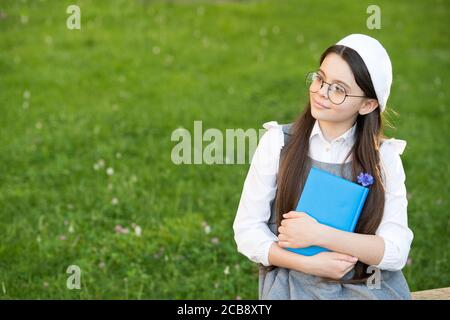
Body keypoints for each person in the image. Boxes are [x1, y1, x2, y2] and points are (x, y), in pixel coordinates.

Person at [233, 34, 414, 299]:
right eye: (320, 78)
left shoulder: (383, 157)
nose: (321, 92)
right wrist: (308, 263)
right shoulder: (279, 143)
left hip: (365, 284)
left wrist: (319, 235)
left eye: (339, 89)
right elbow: (247, 230)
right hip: (294, 282)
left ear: (367, 104)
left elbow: (395, 251)